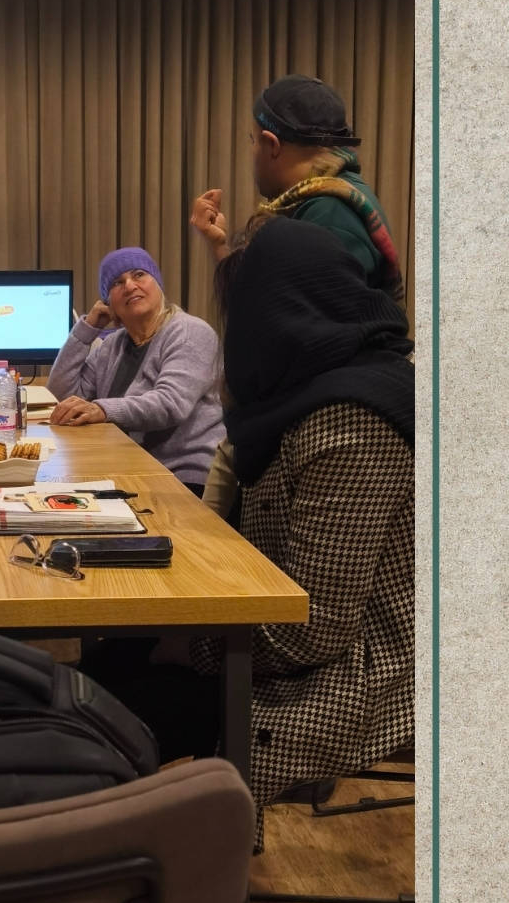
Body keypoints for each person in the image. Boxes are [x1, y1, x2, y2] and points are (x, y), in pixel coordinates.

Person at [89, 220, 414, 851]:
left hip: (359, 673)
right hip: (272, 633)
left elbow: (313, 627)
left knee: (104, 714)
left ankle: (150, 876)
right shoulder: (308, 391)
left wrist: (189, 644)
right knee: (102, 665)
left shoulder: (351, 422)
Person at [190, 74, 404, 301]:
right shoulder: (328, 202)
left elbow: (280, 316)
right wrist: (219, 246)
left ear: (272, 144)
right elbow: (263, 306)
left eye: (253, 140)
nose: (252, 151)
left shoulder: (329, 217)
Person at [46, 246, 224, 493]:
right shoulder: (113, 345)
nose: (130, 286)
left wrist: (102, 409)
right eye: (117, 283)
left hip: (180, 476)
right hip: (126, 467)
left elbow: (171, 404)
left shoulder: (189, 332)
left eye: (139, 275)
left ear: (158, 284)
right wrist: (87, 329)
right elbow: (62, 394)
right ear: (108, 302)